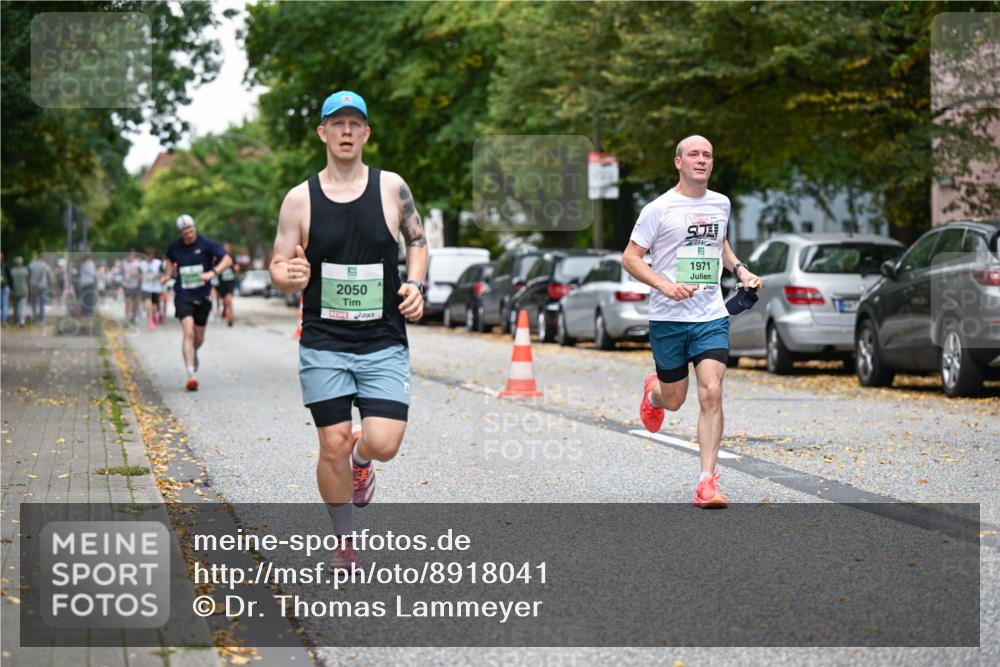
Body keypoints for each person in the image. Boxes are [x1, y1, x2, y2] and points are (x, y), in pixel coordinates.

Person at [270, 90, 427, 569]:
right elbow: (279, 261)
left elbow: (417, 241)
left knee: (384, 443)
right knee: (331, 442)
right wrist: (287, 275)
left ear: (365, 134)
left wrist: (416, 283)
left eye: (354, 123)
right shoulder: (299, 199)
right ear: (322, 132)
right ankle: (344, 539)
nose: (345, 131)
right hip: (324, 342)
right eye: (336, 123)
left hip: (382, 339)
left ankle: (363, 463)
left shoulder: (392, 188)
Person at [621, 135, 761, 509]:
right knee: (675, 399)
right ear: (678, 162)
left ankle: (706, 483)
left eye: (707, 155)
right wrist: (665, 286)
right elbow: (630, 258)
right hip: (668, 318)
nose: (701, 160)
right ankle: (654, 393)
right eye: (694, 155)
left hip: (709, 315)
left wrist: (741, 270)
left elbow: (720, 244)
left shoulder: (721, 204)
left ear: (712, 164)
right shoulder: (658, 208)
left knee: (712, 392)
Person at [162, 214, 233, 391]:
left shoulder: (206, 244)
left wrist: (212, 273)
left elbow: (227, 259)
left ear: (195, 228)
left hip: (202, 296)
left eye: (191, 229)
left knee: (199, 337)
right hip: (183, 295)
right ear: (181, 232)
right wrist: (167, 274)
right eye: (186, 231)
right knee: (188, 333)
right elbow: (170, 260)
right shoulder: (175, 247)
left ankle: (192, 354)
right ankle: (191, 373)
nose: (190, 233)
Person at [139, 247, 164, 331]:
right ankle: (150, 320)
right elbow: (138, 274)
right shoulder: (142, 264)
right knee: (147, 304)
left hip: (155, 288)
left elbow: (162, 273)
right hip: (145, 287)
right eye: (148, 255)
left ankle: (153, 316)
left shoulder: (158, 263)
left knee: (154, 306)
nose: (149, 257)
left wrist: (158, 276)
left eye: (151, 255)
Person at [28, 253, 55, 326]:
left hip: (33, 285)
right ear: (42, 257)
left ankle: (34, 316)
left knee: (34, 302)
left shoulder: (31, 264)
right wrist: (50, 287)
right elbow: (49, 276)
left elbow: (29, 275)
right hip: (43, 285)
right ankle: (41, 319)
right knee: (42, 303)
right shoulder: (45, 265)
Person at [216, 242, 238, 327]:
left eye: (228, 248)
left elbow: (237, 267)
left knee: (229, 300)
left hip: (230, 282)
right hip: (222, 283)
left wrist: (235, 267)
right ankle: (225, 309)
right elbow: (215, 269)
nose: (227, 250)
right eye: (225, 248)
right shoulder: (219, 258)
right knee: (225, 301)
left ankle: (230, 319)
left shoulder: (233, 257)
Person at [121, 249, 142, 325]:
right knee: (127, 302)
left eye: (132, 255)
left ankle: (133, 316)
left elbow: (141, 275)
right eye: (129, 254)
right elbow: (122, 274)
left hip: (135, 286)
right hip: (126, 285)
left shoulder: (138, 263)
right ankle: (127, 318)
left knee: (134, 303)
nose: (130, 256)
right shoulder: (124, 263)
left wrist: (136, 275)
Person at [9, 256, 29, 327]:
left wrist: (11, 291)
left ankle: (17, 321)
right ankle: (22, 320)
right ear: (21, 262)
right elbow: (28, 281)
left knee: (16, 307)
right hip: (24, 290)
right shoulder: (25, 270)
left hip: (15, 291)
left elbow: (10, 282)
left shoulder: (12, 271)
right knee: (22, 306)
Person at [1, 252, 11, 327]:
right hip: (5, 287)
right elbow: (10, 278)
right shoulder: (5, 266)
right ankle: (4, 321)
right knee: (5, 304)